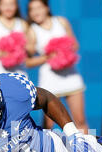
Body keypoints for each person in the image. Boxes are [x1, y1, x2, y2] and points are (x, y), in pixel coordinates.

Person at [25, 0, 88, 134]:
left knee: (80, 120)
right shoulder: (31, 30)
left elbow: (75, 45)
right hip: (49, 80)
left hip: (71, 76)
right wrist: (48, 56)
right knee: (48, 124)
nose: (36, 12)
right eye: (32, 9)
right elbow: (28, 61)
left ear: (46, 8)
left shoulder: (61, 21)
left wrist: (63, 50)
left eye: (39, 7)